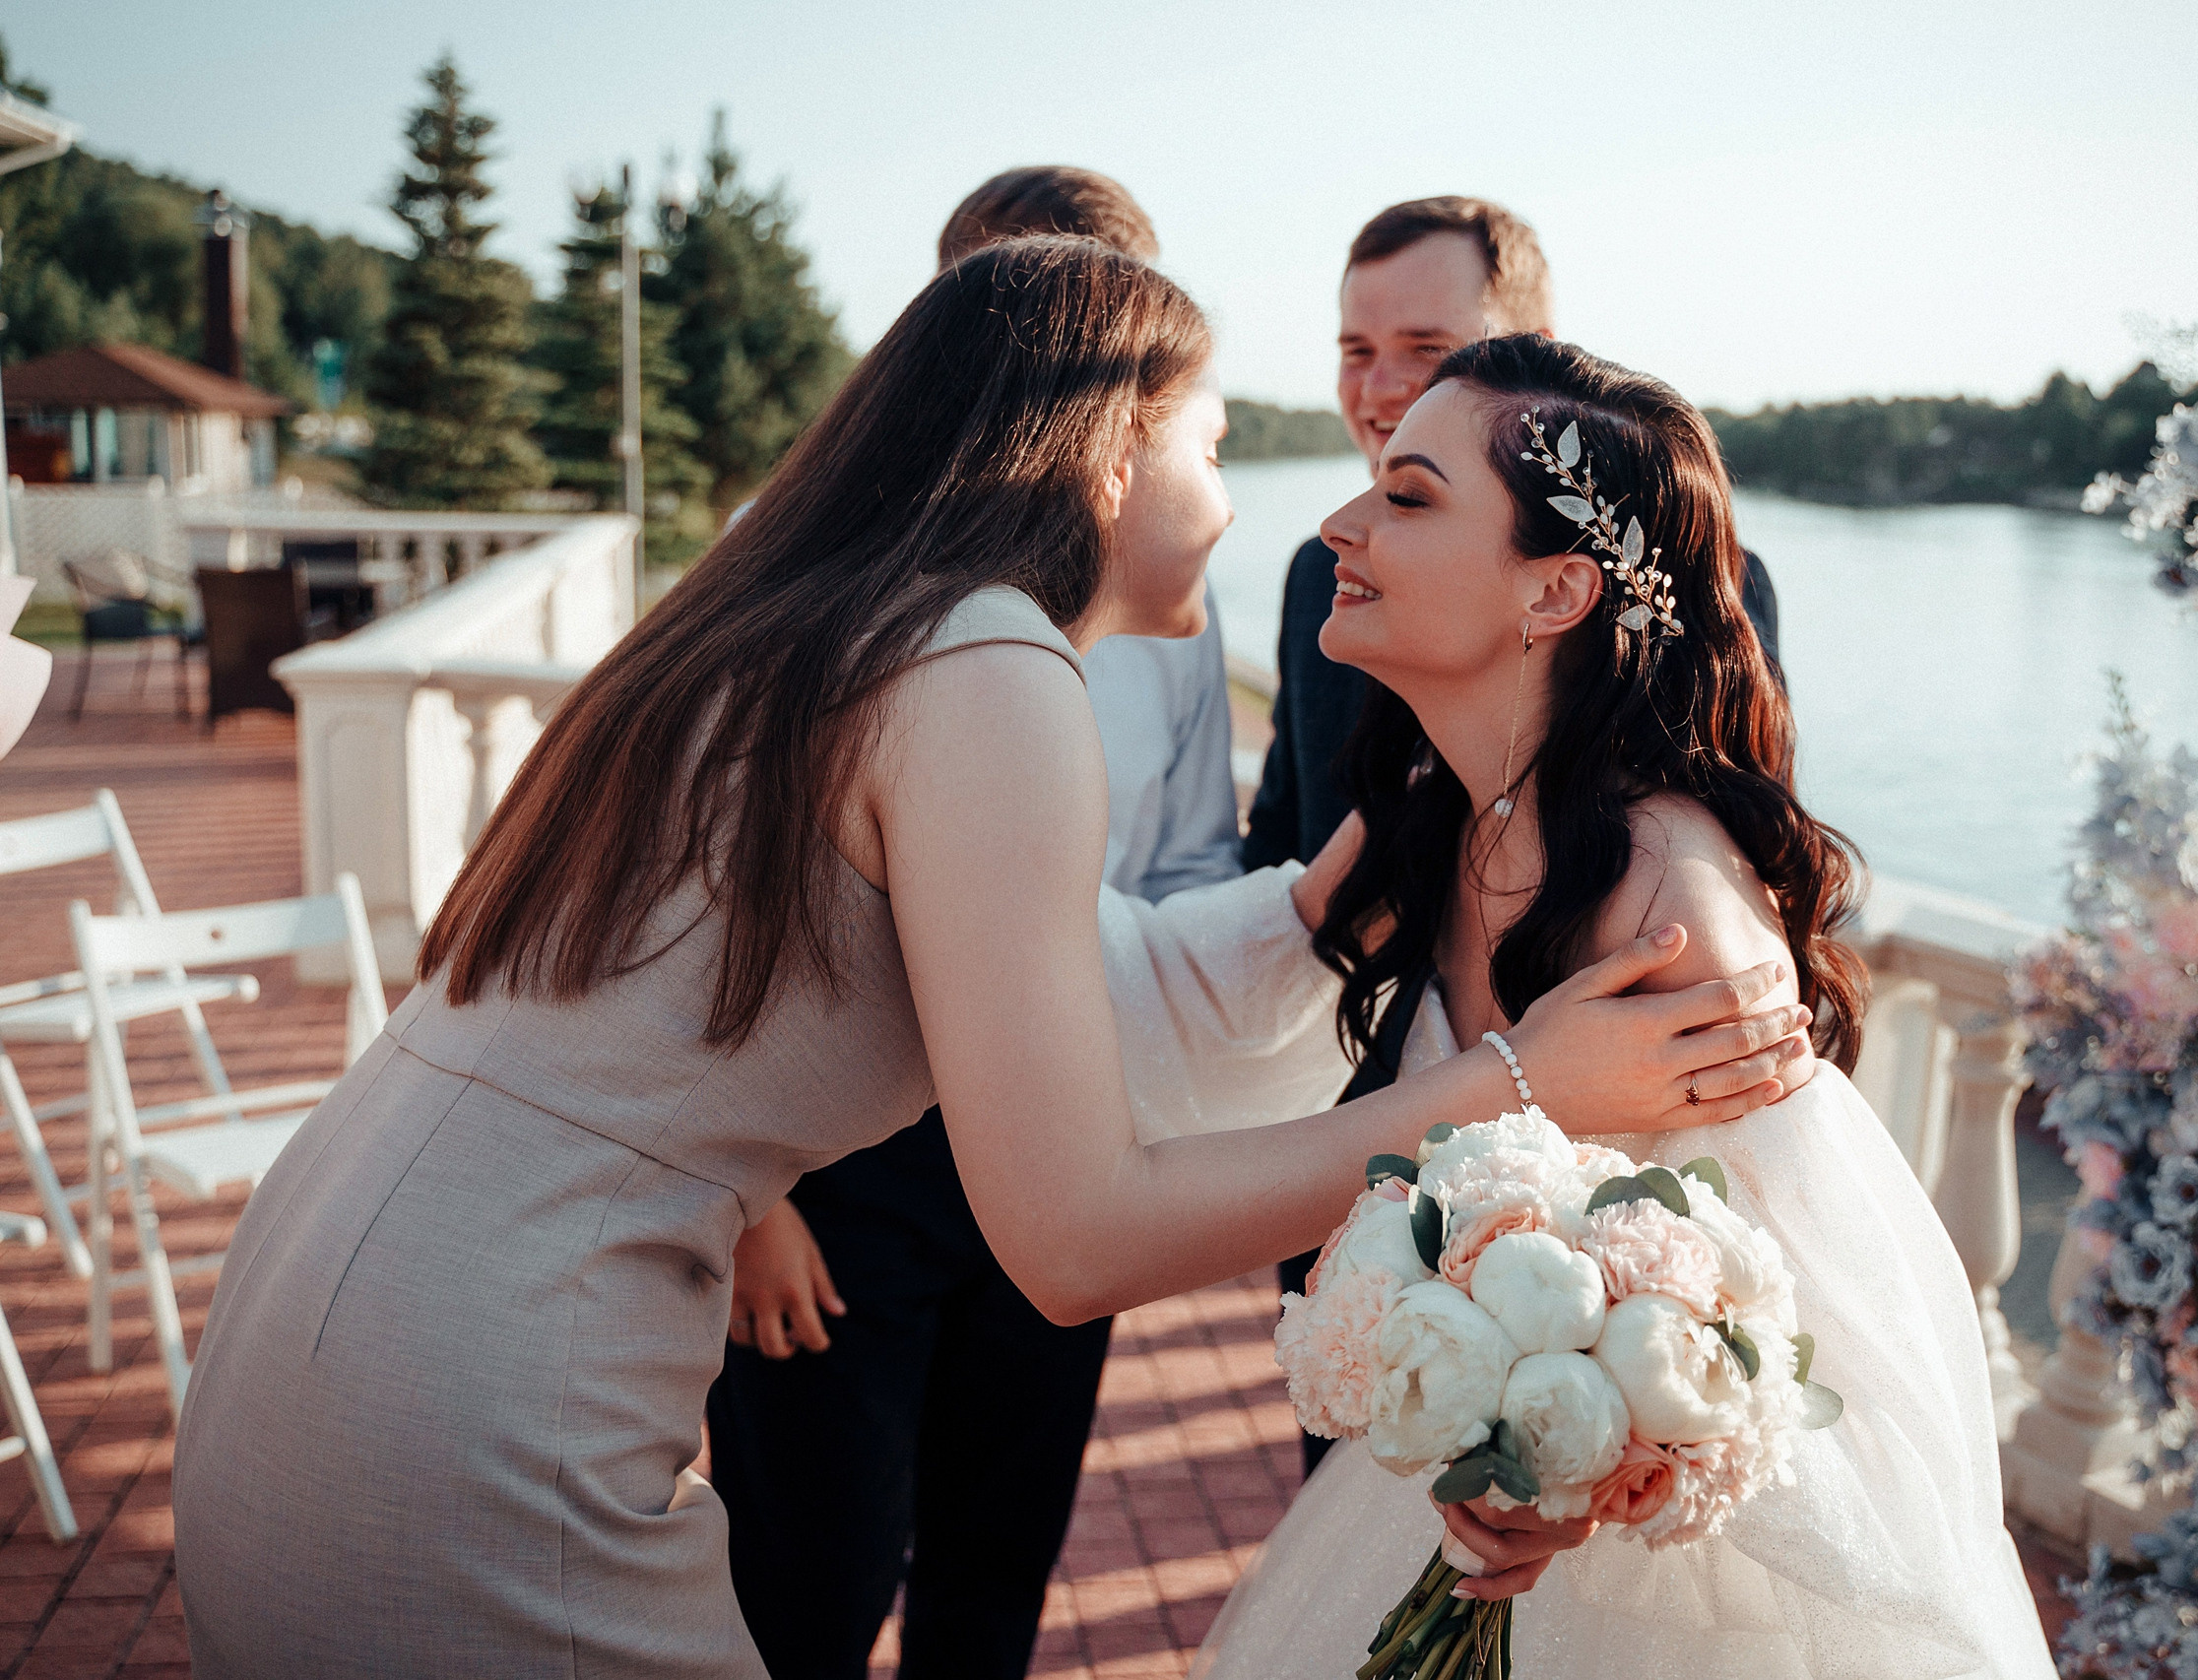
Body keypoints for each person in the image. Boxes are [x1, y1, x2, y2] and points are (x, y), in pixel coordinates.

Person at [168, 237, 1815, 1677]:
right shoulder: (990, 659)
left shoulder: (840, 622)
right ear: (1115, 452)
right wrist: (1514, 1084)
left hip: (323, 1314)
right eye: (1215, 444)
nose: (1268, 508)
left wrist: (1331, 912)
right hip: (478, 1390)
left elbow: (1086, 979)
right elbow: (1076, 1234)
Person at [1192, 336, 2054, 1678]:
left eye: (1408, 496)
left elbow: (1834, 1376)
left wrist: (1592, 1464)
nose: (1339, 523)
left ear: (1556, 589)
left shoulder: (1673, 910)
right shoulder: (1439, 814)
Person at [704, 166, 1245, 1680]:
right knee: (804, 1581)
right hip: (839, 1156)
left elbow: (1190, 860)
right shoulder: (800, 548)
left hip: (1067, 1110)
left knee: (996, 1565)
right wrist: (751, 1202)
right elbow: (718, 879)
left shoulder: (1175, 597)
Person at [1242, 196, 1788, 1474]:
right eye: (1354, 350)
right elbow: (1285, 841)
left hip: (1588, 1286)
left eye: (1424, 350)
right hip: (1351, 1167)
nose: (1379, 386)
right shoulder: (1329, 583)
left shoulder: (1666, 856)